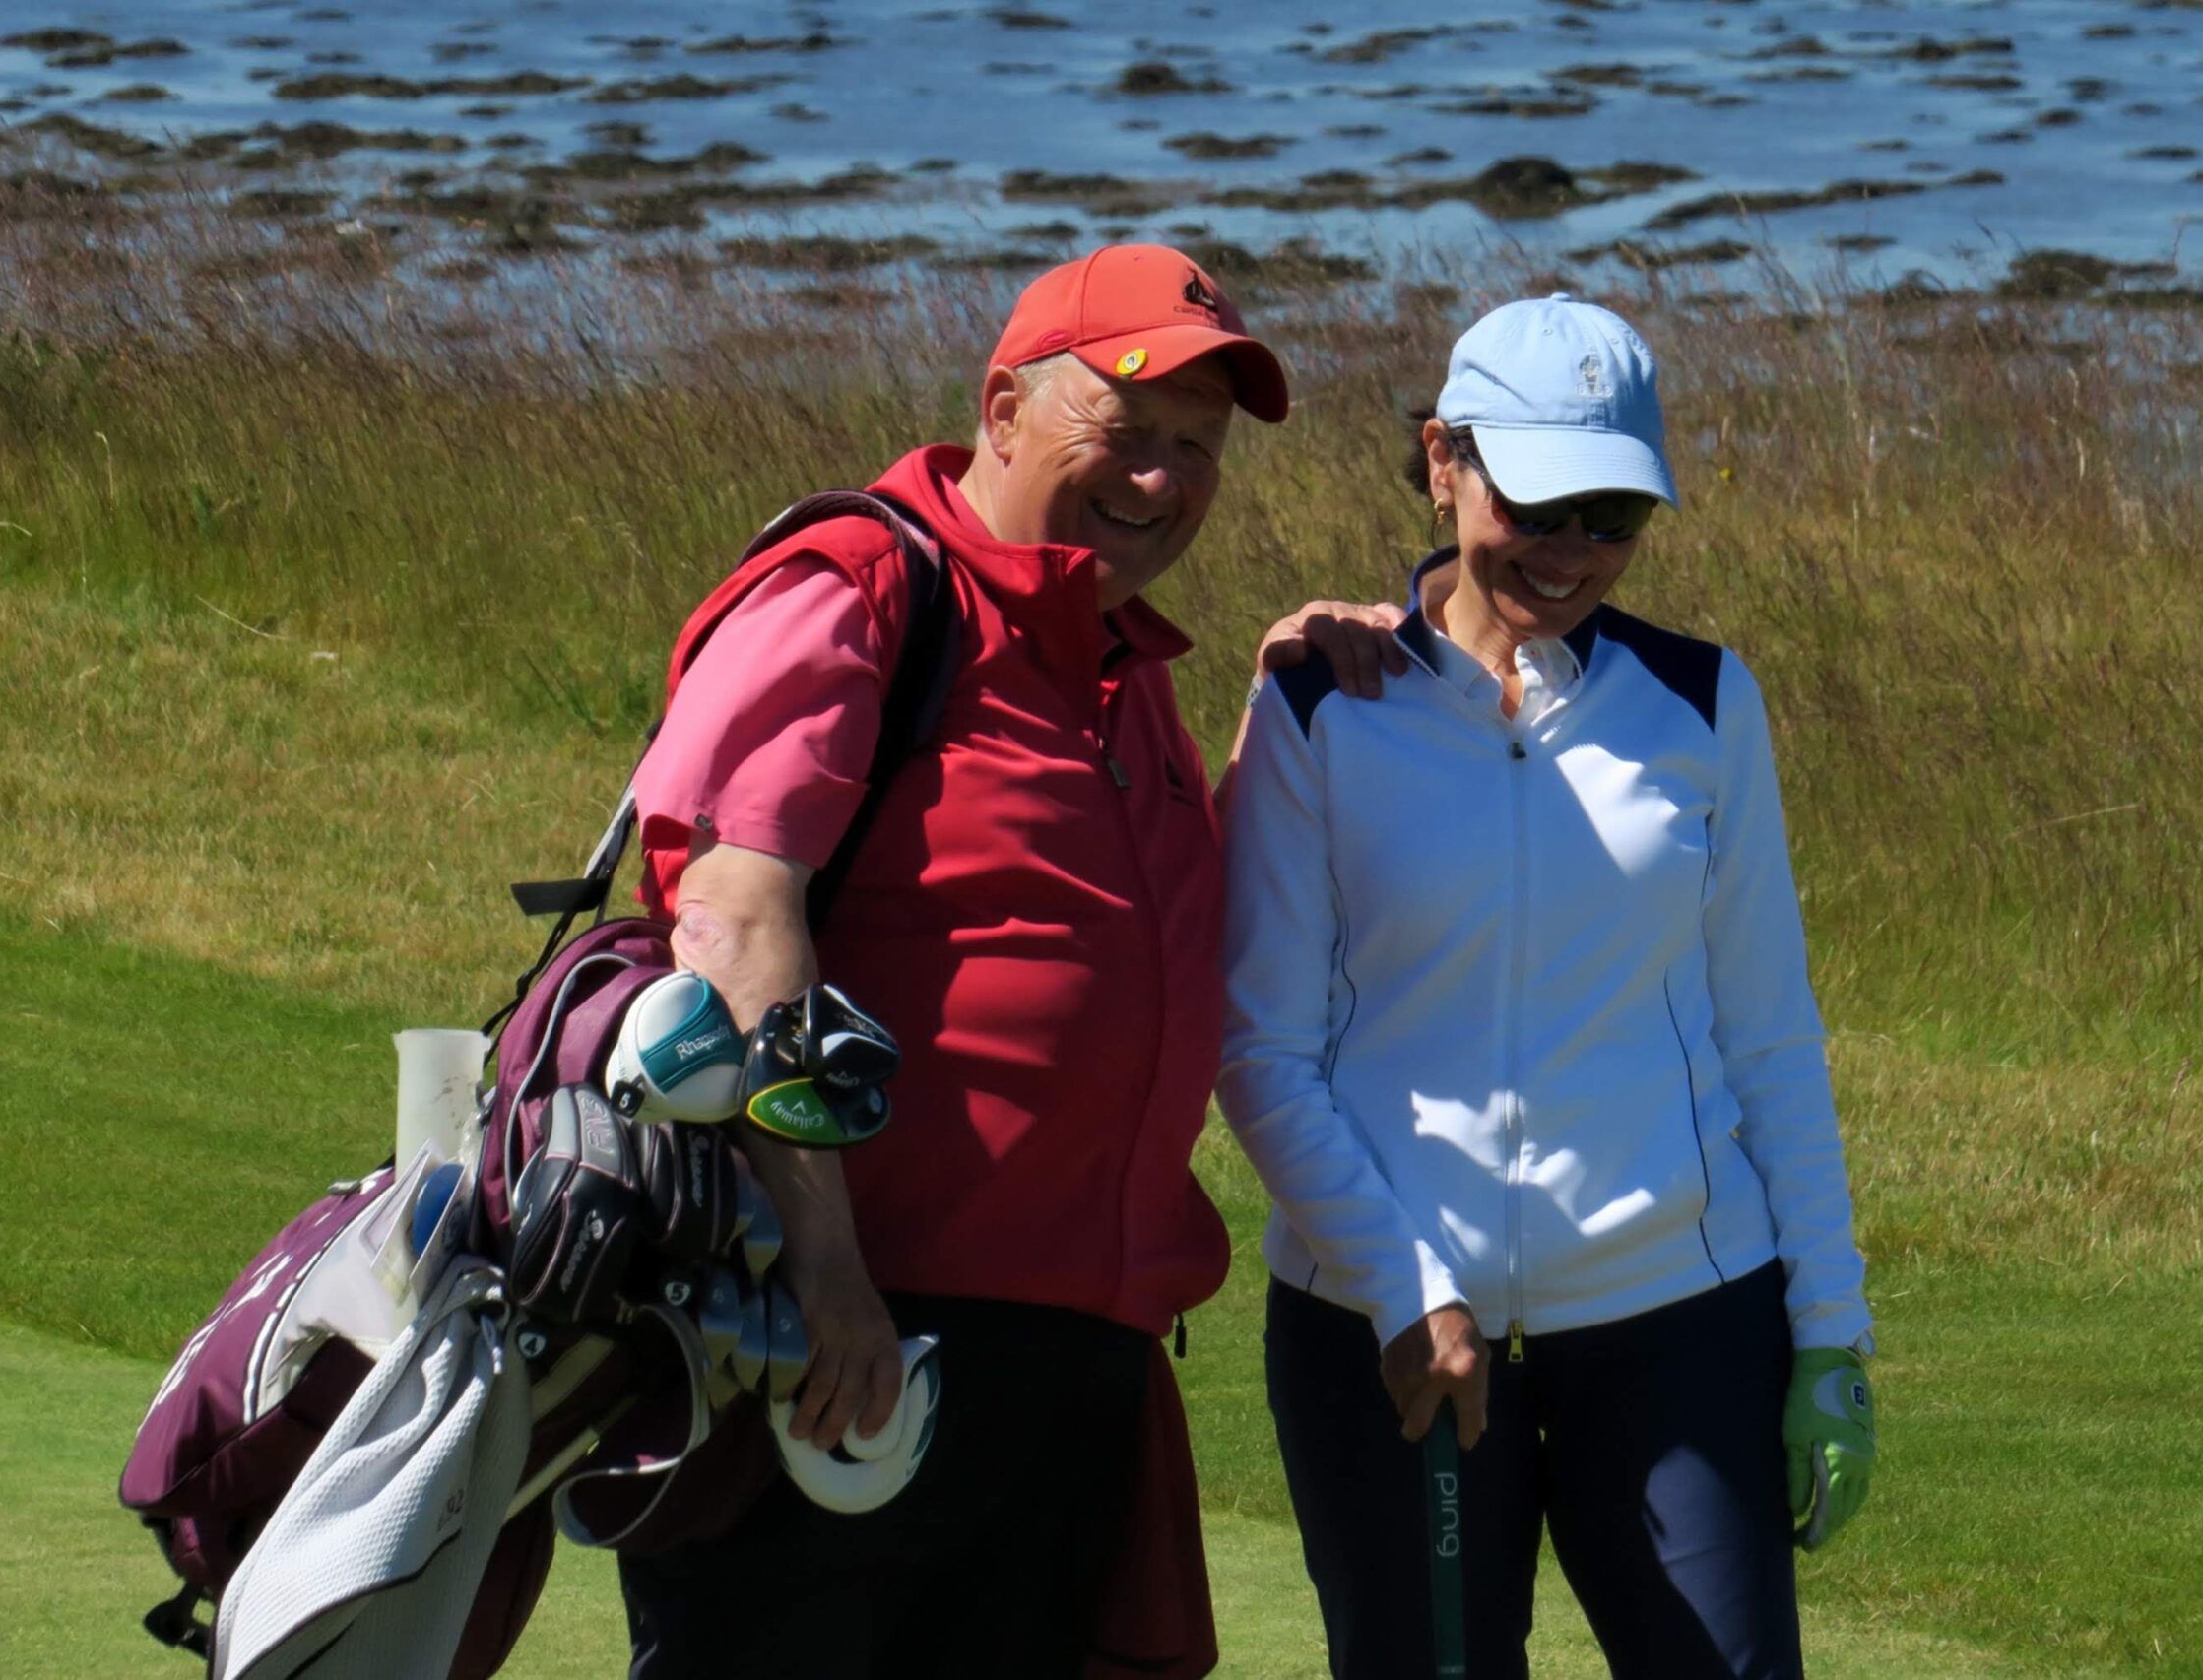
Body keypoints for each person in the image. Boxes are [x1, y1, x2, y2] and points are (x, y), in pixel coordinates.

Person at [618, 244, 1397, 1678]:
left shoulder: (1124, 670)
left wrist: (1283, 714)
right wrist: (832, 1273)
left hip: (1066, 1372)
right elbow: (731, 912)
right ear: (1003, 410)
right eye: (1127, 429)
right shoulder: (860, 587)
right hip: (840, 1347)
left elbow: (1145, 948)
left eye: (1196, 449)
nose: (1160, 480)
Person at [1216, 295, 1879, 1680]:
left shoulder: (1700, 704)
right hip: (1384, 1335)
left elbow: (1769, 1038)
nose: (1575, 553)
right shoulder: (1321, 708)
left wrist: (1831, 1333)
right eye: (1541, 503)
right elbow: (1261, 1049)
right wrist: (1408, 1289)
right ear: (1443, 456)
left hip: (1677, 1323)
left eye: (1614, 516)